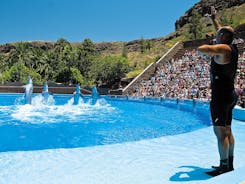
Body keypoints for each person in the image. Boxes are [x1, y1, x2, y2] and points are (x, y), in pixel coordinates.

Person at [197, 7, 238, 177]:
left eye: (218, 35)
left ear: (223, 38)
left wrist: (211, 46)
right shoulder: (231, 47)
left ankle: (223, 167)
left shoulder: (223, 49)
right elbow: (223, 32)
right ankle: (229, 163)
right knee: (228, 130)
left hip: (220, 97)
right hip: (230, 94)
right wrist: (215, 20)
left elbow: (201, 48)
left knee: (220, 132)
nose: (216, 35)